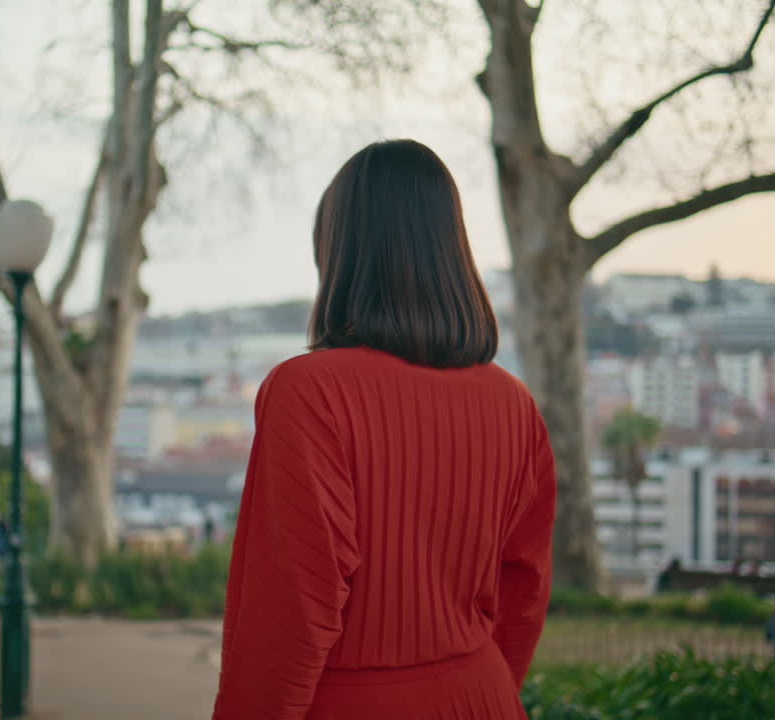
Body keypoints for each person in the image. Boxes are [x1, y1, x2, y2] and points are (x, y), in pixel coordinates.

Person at [211, 140, 556, 720]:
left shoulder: (308, 391)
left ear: (339, 254)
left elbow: (291, 610)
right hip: (482, 696)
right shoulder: (514, 403)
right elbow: (524, 591)